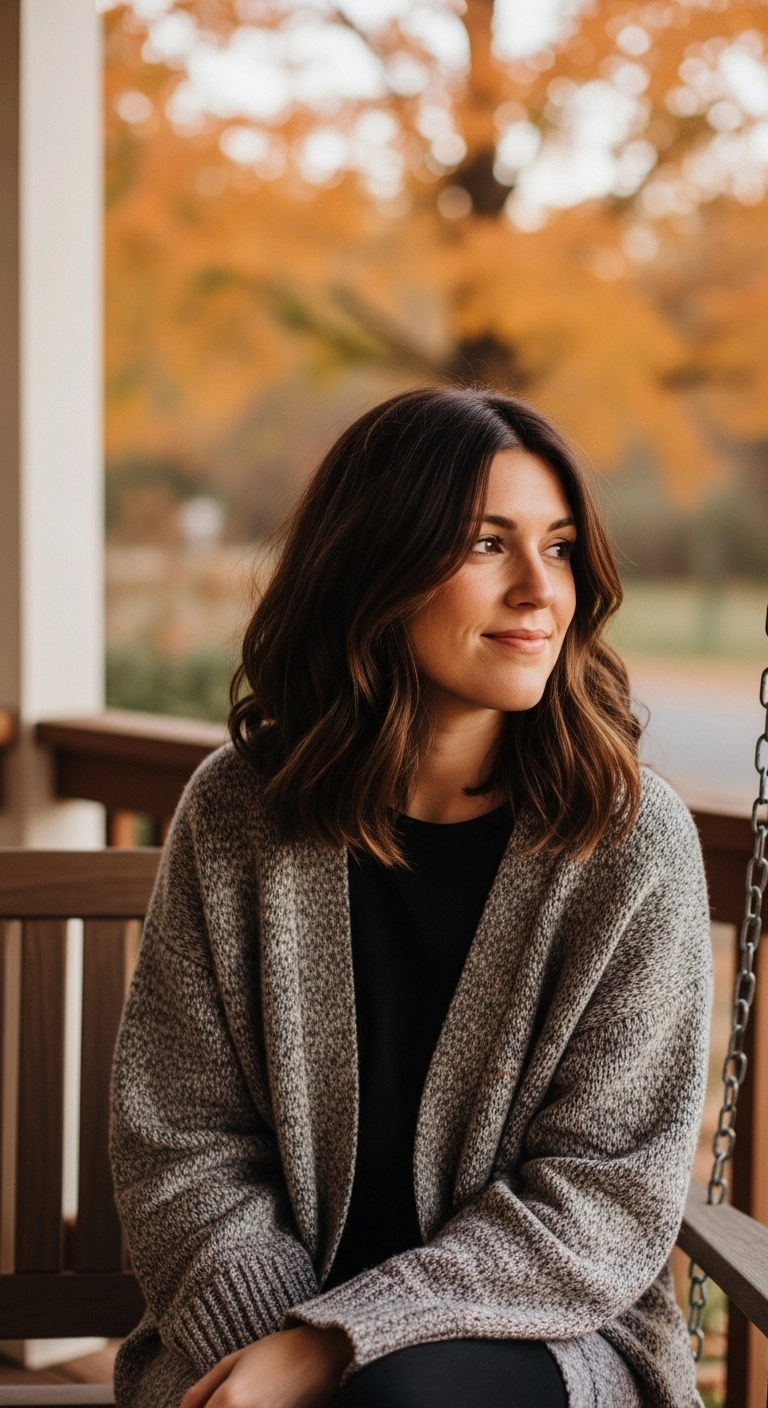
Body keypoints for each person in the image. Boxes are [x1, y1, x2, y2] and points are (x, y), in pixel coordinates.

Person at [110, 388, 712, 1408]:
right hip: (251, 1325)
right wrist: (279, 1344)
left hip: (534, 1330)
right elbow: (182, 1137)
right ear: (375, 566)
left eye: (560, 548)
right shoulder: (238, 814)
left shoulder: (628, 843)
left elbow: (602, 1196)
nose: (539, 591)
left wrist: (339, 1347)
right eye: (488, 544)